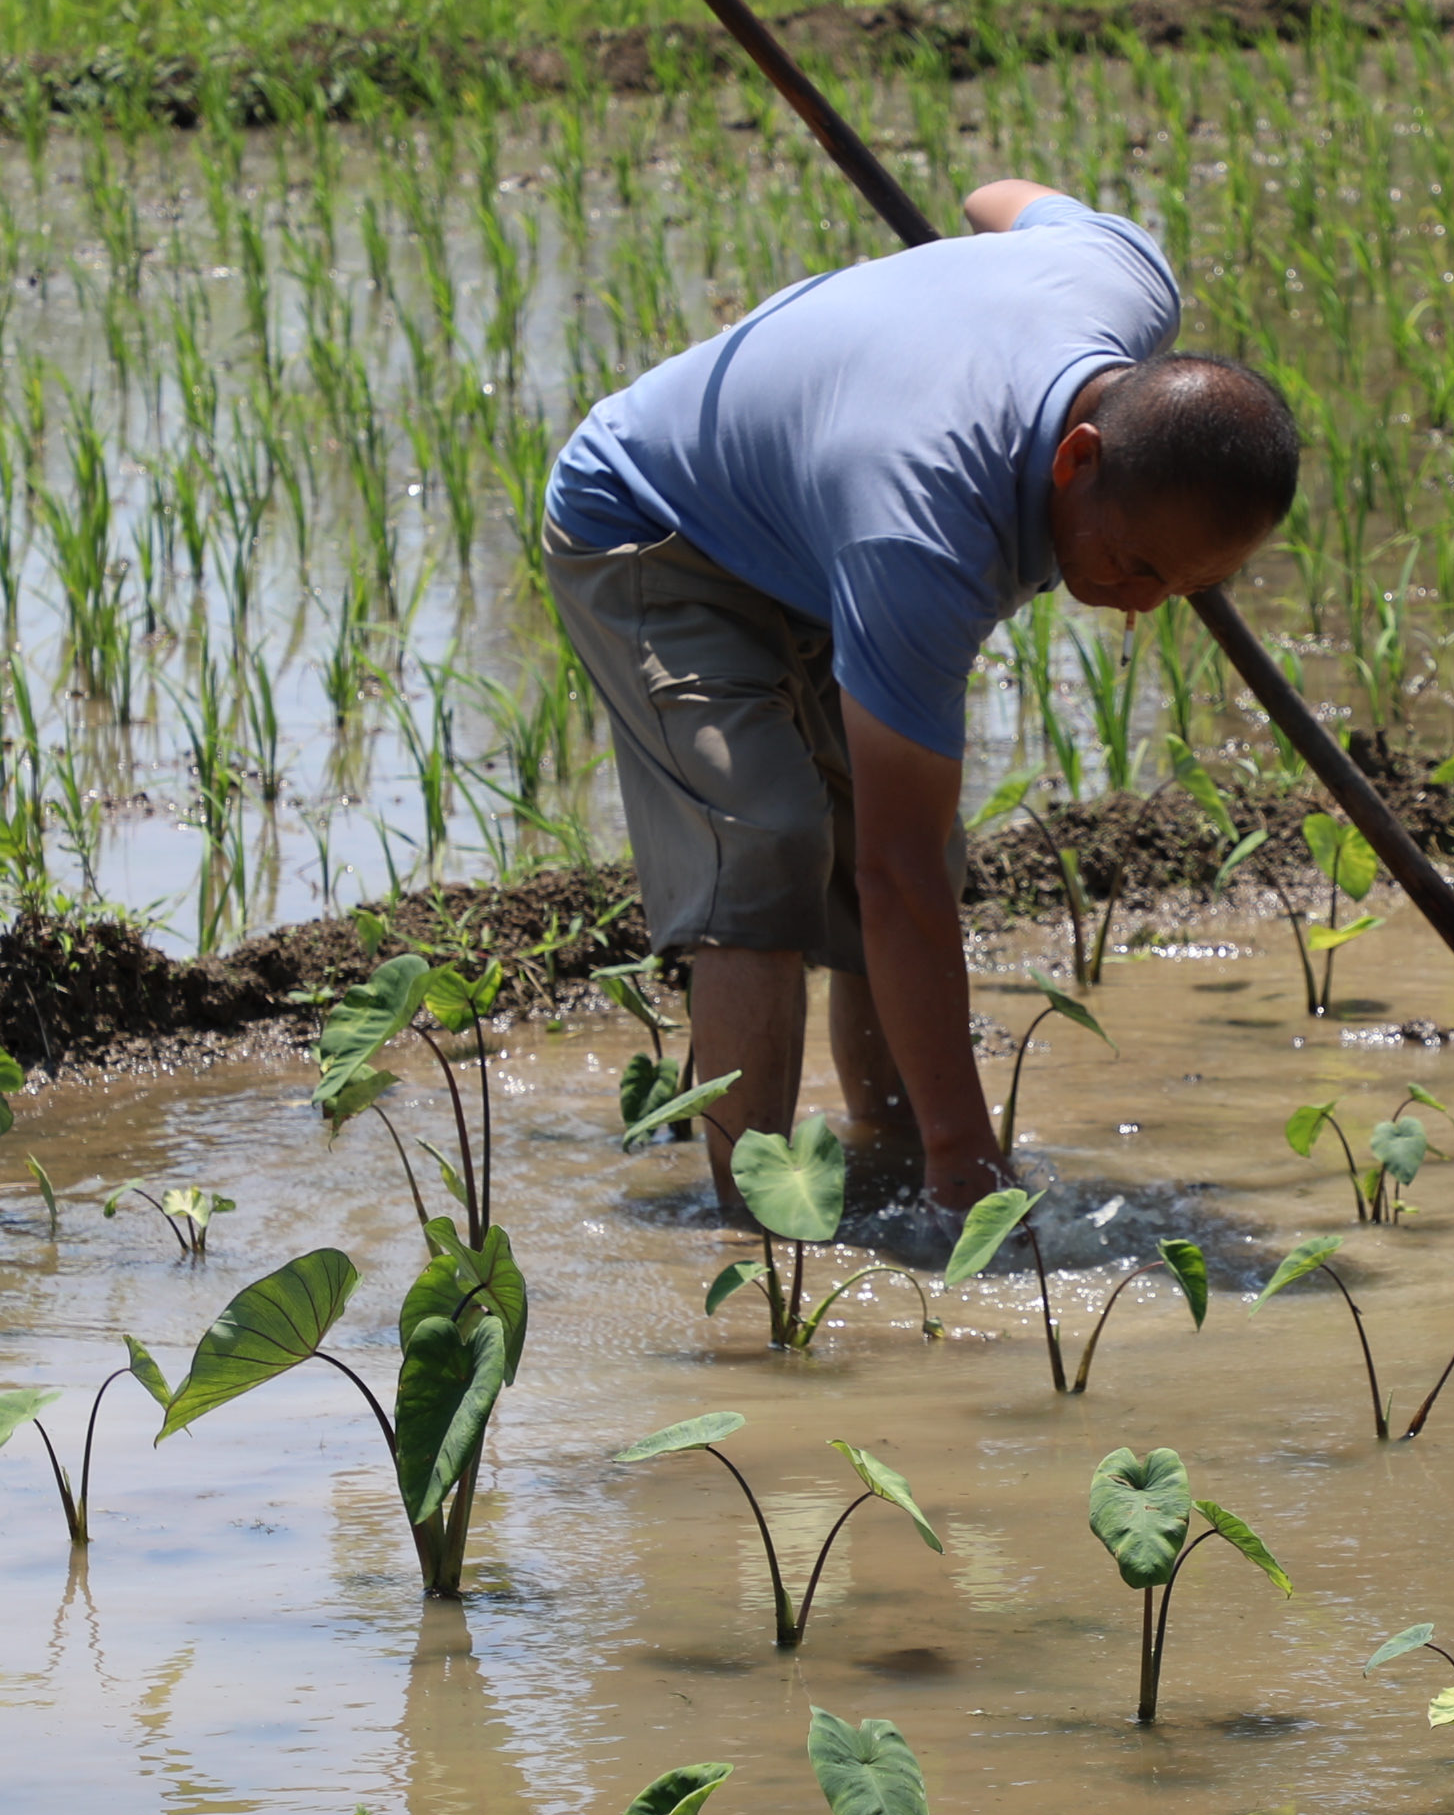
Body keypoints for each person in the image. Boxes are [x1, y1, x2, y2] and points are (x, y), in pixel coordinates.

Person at [542, 177, 1298, 1217]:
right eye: (1131, 567)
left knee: (913, 845)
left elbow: (997, 200)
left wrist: (951, 309)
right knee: (765, 838)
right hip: (654, 519)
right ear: (1077, 458)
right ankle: (759, 1234)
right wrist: (972, 1162)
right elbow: (894, 880)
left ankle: (891, 1157)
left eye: (1185, 587)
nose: (1140, 610)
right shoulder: (925, 536)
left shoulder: (1124, 273)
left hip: (816, 523)